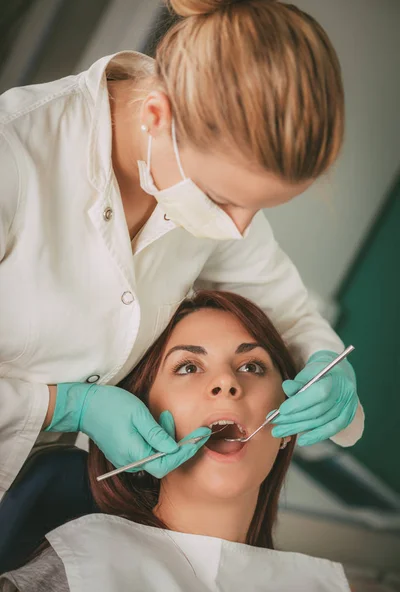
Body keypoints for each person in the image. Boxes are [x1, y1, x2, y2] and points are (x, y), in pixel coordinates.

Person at [0, 0, 364, 502]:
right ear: (157, 116)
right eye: (224, 200)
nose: (237, 230)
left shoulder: (200, 170)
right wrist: (62, 406)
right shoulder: (13, 157)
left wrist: (326, 364)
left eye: (258, 208)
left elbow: (286, 311)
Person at [0, 291, 355, 592]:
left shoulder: (317, 591)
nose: (226, 383)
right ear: (143, 414)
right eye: (187, 367)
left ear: (289, 424)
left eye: (251, 366)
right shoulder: (81, 572)